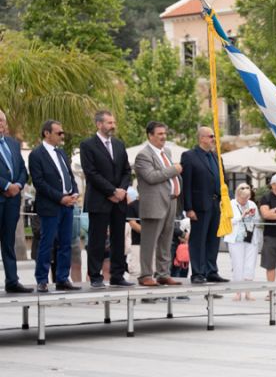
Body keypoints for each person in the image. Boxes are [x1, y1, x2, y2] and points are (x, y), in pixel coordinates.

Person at [78, 110, 133, 289]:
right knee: (97, 239)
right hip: (100, 199)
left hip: (119, 200)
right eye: (109, 123)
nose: (113, 126)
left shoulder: (119, 144)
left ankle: (117, 275)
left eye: (113, 122)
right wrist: (111, 191)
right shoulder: (87, 145)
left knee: (118, 239)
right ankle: (95, 275)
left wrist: (122, 190)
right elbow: (91, 173)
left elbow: (126, 171)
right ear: (99, 124)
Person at [28, 120, 81, 292]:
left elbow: (69, 175)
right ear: (47, 133)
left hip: (67, 205)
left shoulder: (61, 153)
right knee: (47, 242)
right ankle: (42, 279)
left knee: (66, 243)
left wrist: (74, 191)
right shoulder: (36, 155)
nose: (62, 136)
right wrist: (60, 198)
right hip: (51, 206)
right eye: (59, 133)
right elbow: (39, 183)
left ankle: (62, 278)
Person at [133, 121, 183, 287]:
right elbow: (151, 177)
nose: (163, 137)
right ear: (150, 135)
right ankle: (146, 275)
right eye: (159, 134)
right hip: (154, 203)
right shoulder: (143, 155)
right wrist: (174, 169)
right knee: (149, 241)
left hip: (171, 201)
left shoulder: (166, 152)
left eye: (164, 133)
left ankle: (163, 273)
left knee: (166, 241)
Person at [180, 127, 228, 284]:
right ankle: (198, 272)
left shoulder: (216, 157)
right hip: (199, 206)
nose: (214, 139)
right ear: (201, 138)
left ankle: (211, 270)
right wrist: (188, 208)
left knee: (213, 239)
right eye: (211, 136)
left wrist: (227, 200)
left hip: (216, 204)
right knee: (198, 240)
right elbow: (186, 184)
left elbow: (223, 181)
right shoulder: (189, 156)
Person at [0, 109, 32, 293]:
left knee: (8, 241)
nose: (0, 124)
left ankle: (12, 281)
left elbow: (22, 169)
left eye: (2, 120)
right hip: (2, 195)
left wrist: (18, 185)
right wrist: (6, 186)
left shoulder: (13, 143)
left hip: (12, 201)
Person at [225, 183, 258, 301]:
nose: (245, 200)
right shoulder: (230, 204)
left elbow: (258, 221)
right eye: (243, 198)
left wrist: (252, 217)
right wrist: (242, 216)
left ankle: (248, 292)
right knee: (237, 264)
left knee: (250, 264)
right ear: (238, 195)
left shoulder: (252, 204)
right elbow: (227, 221)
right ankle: (237, 292)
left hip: (250, 238)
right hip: (235, 239)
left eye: (247, 198)